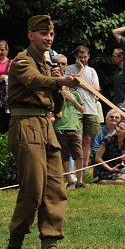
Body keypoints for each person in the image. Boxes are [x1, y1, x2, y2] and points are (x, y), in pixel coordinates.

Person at [5, 15, 80, 249]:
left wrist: (59, 87)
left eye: (51, 34)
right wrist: (58, 80)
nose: (48, 38)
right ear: (30, 35)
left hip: (46, 127)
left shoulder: (49, 67)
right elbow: (33, 81)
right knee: (33, 189)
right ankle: (14, 248)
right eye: (43, 34)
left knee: (55, 189)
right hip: (25, 126)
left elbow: (56, 107)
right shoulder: (21, 61)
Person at [65, 45, 100, 185]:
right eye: (80, 57)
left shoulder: (92, 71)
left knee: (87, 139)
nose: (83, 60)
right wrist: (81, 72)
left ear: (89, 56)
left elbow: (97, 88)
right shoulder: (69, 69)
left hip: (91, 108)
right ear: (76, 57)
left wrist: (83, 85)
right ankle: (75, 170)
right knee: (76, 139)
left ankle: (85, 167)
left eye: (85, 57)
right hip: (75, 109)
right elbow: (71, 82)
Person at [53, 54, 85, 189]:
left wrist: (71, 98)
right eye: (58, 63)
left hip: (74, 127)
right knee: (64, 156)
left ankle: (79, 181)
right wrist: (61, 98)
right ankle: (70, 180)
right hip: (60, 128)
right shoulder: (53, 91)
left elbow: (82, 109)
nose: (60, 66)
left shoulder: (74, 93)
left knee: (79, 155)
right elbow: (58, 114)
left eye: (63, 64)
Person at [93, 119, 125, 184]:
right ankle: (103, 181)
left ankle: (111, 180)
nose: (118, 129)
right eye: (117, 127)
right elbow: (97, 158)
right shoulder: (107, 139)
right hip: (103, 168)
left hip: (115, 167)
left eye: (121, 128)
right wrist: (110, 169)